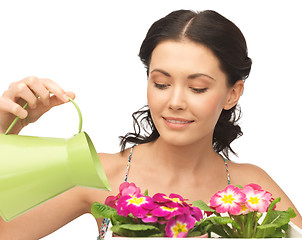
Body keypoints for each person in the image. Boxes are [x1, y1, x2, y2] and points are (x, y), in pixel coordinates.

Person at [0, 9, 301, 239]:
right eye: (161, 83)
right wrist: (5, 128)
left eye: (197, 88)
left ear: (232, 94)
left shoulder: (252, 190)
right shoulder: (101, 174)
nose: (175, 101)